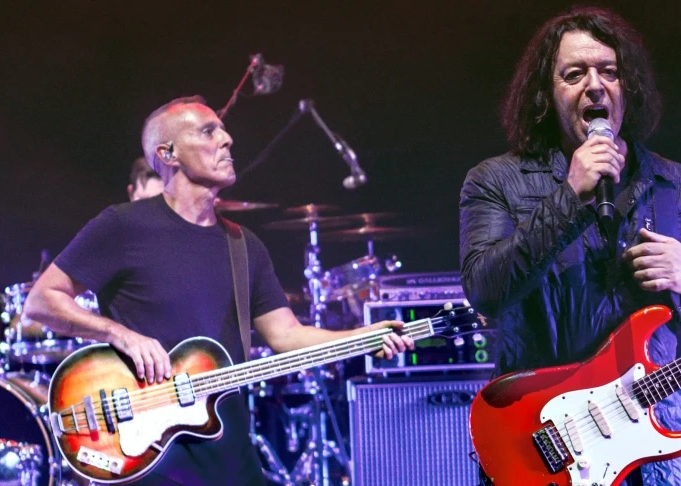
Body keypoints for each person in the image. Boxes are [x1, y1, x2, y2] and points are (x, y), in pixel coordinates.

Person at [25, 95, 414, 485]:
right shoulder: (123, 226)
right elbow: (42, 300)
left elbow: (287, 335)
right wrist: (119, 334)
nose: (227, 139)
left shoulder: (244, 246)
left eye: (223, 131)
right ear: (168, 153)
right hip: (150, 458)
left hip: (229, 457)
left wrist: (361, 337)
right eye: (208, 131)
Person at [459, 7, 681, 486]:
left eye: (610, 71)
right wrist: (569, 197)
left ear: (630, 88)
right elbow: (485, 290)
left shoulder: (678, 187)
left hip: (659, 460)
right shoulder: (496, 180)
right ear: (546, 94)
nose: (594, 85)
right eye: (574, 74)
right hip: (546, 448)